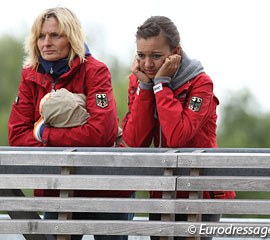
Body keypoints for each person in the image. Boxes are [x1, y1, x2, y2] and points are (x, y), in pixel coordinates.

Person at [8, 7, 131, 240]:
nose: (46, 42)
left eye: (55, 35)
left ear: (72, 37)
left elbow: (100, 135)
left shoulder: (96, 71)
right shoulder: (30, 75)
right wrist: (71, 133)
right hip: (57, 189)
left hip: (105, 188)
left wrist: (44, 132)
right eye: (41, 36)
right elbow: (17, 135)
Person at [122, 16, 236, 240]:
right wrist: (146, 88)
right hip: (163, 191)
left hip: (202, 193)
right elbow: (135, 142)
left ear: (176, 52)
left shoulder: (200, 83)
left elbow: (177, 138)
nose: (147, 64)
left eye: (156, 56)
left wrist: (161, 85)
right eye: (141, 55)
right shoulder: (141, 81)